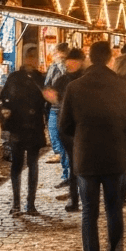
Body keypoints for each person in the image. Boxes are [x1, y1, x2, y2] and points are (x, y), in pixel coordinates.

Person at [59, 40, 126, 251]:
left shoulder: (75, 87)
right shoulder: (120, 85)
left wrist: (80, 139)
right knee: (114, 209)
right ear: (109, 58)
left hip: (86, 156)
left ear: (89, 57)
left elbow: (64, 125)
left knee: (89, 212)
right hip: (113, 155)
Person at [0, 43, 47, 215]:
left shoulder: (40, 78)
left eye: (34, 56)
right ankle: (16, 203)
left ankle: (31, 204)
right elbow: (4, 97)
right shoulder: (15, 77)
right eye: (29, 56)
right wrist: (6, 111)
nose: (32, 59)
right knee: (17, 165)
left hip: (34, 126)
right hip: (17, 127)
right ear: (24, 57)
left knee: (33, 165)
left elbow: (46, 100)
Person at [49, 48, 85, 211]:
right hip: (68, 128)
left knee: (79, 165)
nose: (71, 64)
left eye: (74, 61)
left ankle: (80, 198)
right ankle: (76, 198)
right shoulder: (63, 80)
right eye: (69, 61)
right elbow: (53, 98)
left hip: (80, 127)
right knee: (74, 163)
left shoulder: (84, 78)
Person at [43, 43, 68, 167]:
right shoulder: (67, 65)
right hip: (61, 103)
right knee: (58, 128)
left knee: (55, 128)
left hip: (59, 103)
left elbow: (49, 82)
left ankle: (59, 153)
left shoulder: (58, 66)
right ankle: (62, 152)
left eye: (54, 52)